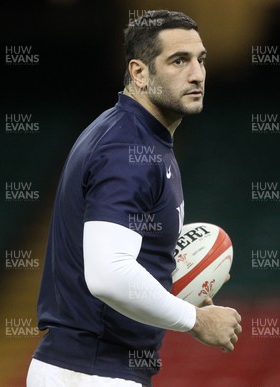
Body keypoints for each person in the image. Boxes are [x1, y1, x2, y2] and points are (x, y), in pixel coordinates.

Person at [27, 10, 242, 387]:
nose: (197, 74)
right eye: (179, 60)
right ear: (139, 73)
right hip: (92, 372)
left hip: (89, 370)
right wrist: (196, 320)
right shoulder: (128, 148)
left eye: (200, 59)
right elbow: (108, 275)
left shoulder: (135, 136)